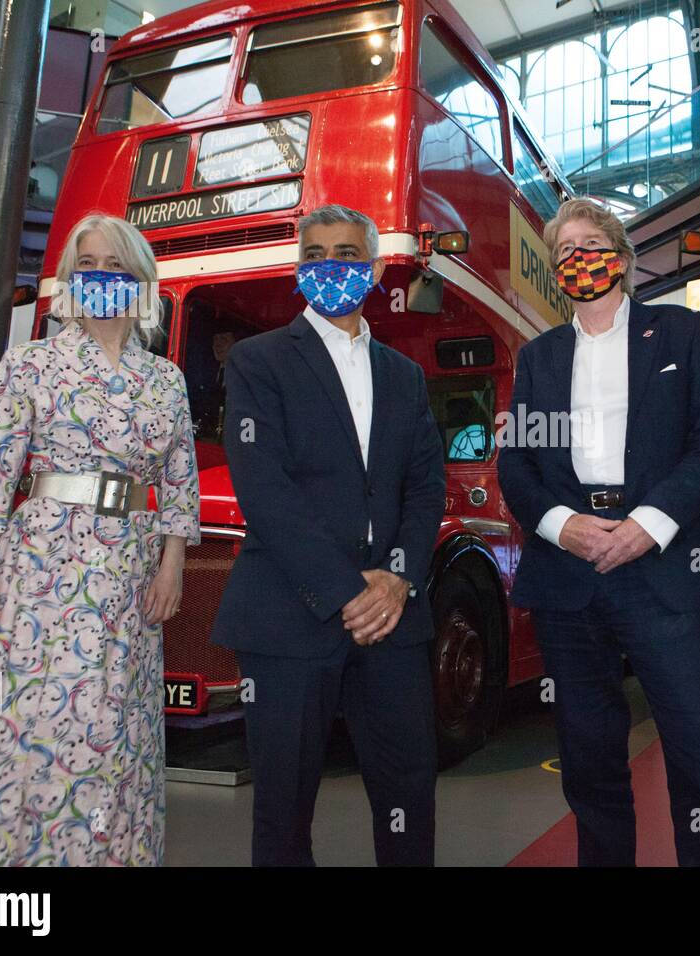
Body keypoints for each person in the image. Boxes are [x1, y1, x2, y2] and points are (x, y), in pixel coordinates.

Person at [0, 213, 200, 866]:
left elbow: (180, 479)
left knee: (106, 724)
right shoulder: (29, 362)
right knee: (18, 723)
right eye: (84, 267)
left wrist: (172, 563)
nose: (98, 279)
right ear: (67, 281)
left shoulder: (166, 381)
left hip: (126, 572)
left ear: (140, 282)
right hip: (37, 565)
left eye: (114, 267)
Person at [497, 198, 700, 866]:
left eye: (590, 243)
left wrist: (647, 525)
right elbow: (517, 465)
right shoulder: (539, 357)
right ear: (555, 273)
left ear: (620, 255)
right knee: (588, 759)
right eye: (563, 251)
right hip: (569, 574)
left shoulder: (682, 333)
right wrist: (561, 526)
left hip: (664, 570)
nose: (577, 257)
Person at [211, 204, 445, 867]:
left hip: (395, 619)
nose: (328, 266)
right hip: (290, 614)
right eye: (313, 255)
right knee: (283, 806)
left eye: (345, 253)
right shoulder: (258, 362)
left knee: (408, 791)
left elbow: (425, 488)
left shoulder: (405, 376)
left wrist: (396, 579)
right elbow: (266, 490)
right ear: (297, 268)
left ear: (371, 270)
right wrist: (350, 592)